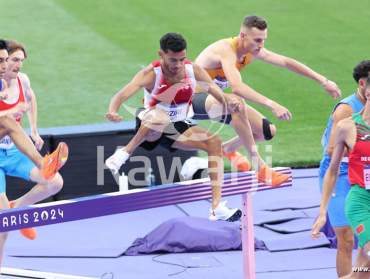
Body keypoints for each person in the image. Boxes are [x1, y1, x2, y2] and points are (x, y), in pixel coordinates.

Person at [106, 33, 288, 221]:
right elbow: (121, 95)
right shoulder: (150, 74)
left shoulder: (193, 70)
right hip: (150, 127)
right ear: (161, 54)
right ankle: (123, 155)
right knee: (158, 116)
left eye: (181, 59)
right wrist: (113, 110)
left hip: (177, 126)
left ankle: (216, 207)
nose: (177, 64)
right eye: (172, 60)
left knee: (214, 142)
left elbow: (215, 91)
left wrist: (228, 103)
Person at [193, 15, 341, 171]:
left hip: (214, 100)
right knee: (236, 102)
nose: (261, 45)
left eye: (263, 40)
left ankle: (224, 150)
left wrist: (323, 80)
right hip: (191, 100)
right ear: (243, 36)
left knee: (266, 131)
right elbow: (237, 87)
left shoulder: (251, 49)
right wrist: (271, 104)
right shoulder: (226, 50)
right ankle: (259, 165)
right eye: (257, 40)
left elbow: (286, 62)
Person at [0, 40, 69, 246]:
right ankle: (42, 164)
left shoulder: (19, 81)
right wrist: (9, 112)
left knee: (55, 182)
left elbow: (31, 98)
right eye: (11, 60)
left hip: (12, 151)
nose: (13, 65)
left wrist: (35, 130)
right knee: (4, 225)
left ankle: (18, 208)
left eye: (19, 61)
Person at [312, 77, 370, 279]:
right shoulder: (348, 123)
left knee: (364, 267)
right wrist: (322, 212)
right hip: (357, 193)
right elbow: (332, 165)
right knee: (354, 242)